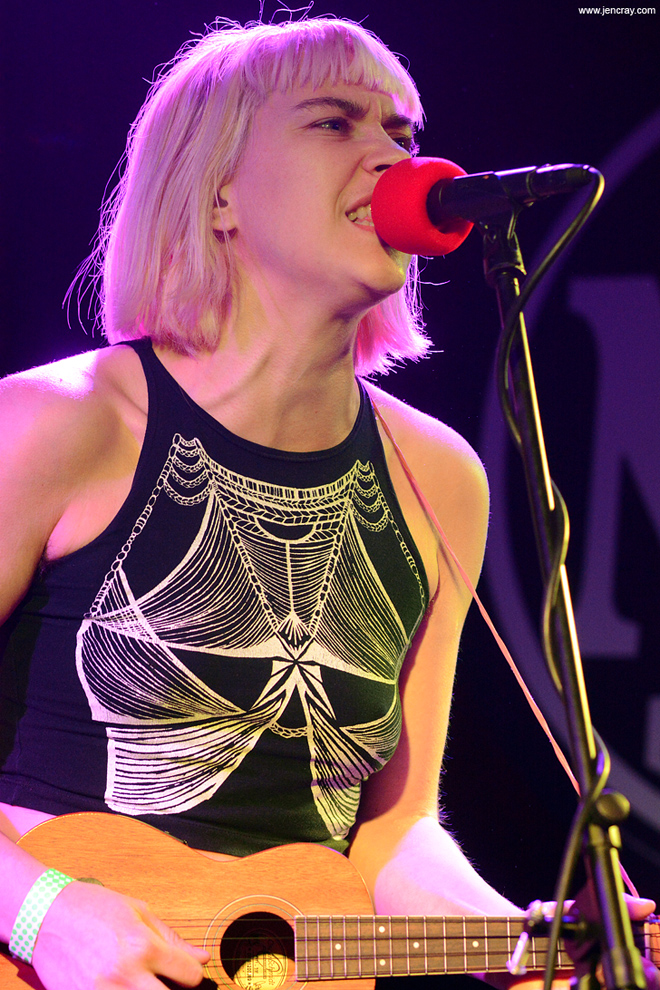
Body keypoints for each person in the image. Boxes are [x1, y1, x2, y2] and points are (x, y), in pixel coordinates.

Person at [0, 16, 654, 990]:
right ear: (219, 193)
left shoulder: (437, 479)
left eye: (402, 131)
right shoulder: (58, 423)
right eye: (334, 122)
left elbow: (391, 831)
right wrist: (45, 912)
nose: (393, 158)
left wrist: (523, 942)